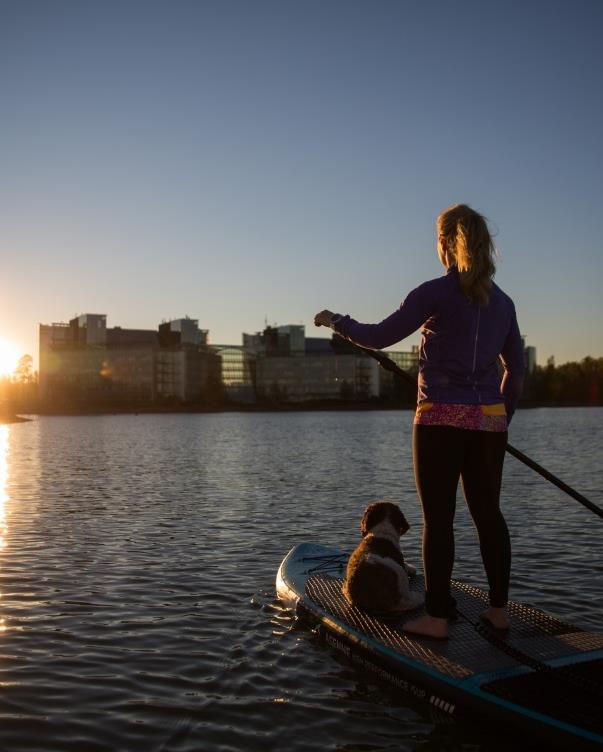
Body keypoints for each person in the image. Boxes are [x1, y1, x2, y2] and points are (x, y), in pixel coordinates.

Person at [314, 204, 525, 639]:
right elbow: (516, 372)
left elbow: (377, 336)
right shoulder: (503, 303)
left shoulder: (435, 293)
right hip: (489, 422)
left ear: (445, 244)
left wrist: (337, 321)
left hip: (439, 417)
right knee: (489, 514)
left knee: (439, 520)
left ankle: (437, 617)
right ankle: (499, 610)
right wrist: (500, 419)